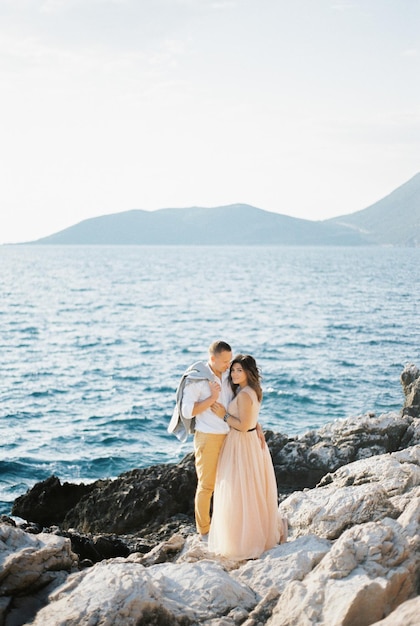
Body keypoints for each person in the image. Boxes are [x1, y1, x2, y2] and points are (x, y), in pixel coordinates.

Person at [208, 354, 287, 560]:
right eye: (233, 370)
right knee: (250, 490)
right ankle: (252, 534)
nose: (234, 374)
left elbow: (242, 425)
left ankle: (244, 540)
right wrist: (257, 425)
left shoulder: (244, 394)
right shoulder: (252, 391)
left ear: (248, 373)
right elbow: (250, 419)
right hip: (250, 441)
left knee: (239, 491)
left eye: (239, 370)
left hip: (241, 443)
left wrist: (223, 415)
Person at [180, 340, 234, 540]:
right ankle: (204, 531)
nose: (228, 365)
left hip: (229, 436)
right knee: (207, 485)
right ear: (212, 359)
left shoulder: (229, 375)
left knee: (228, 483)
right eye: (224, 361)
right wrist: (211, 399)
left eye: (230, 360)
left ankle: (224, 526)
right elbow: (186, 411)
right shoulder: (197, 380)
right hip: (208, 437)